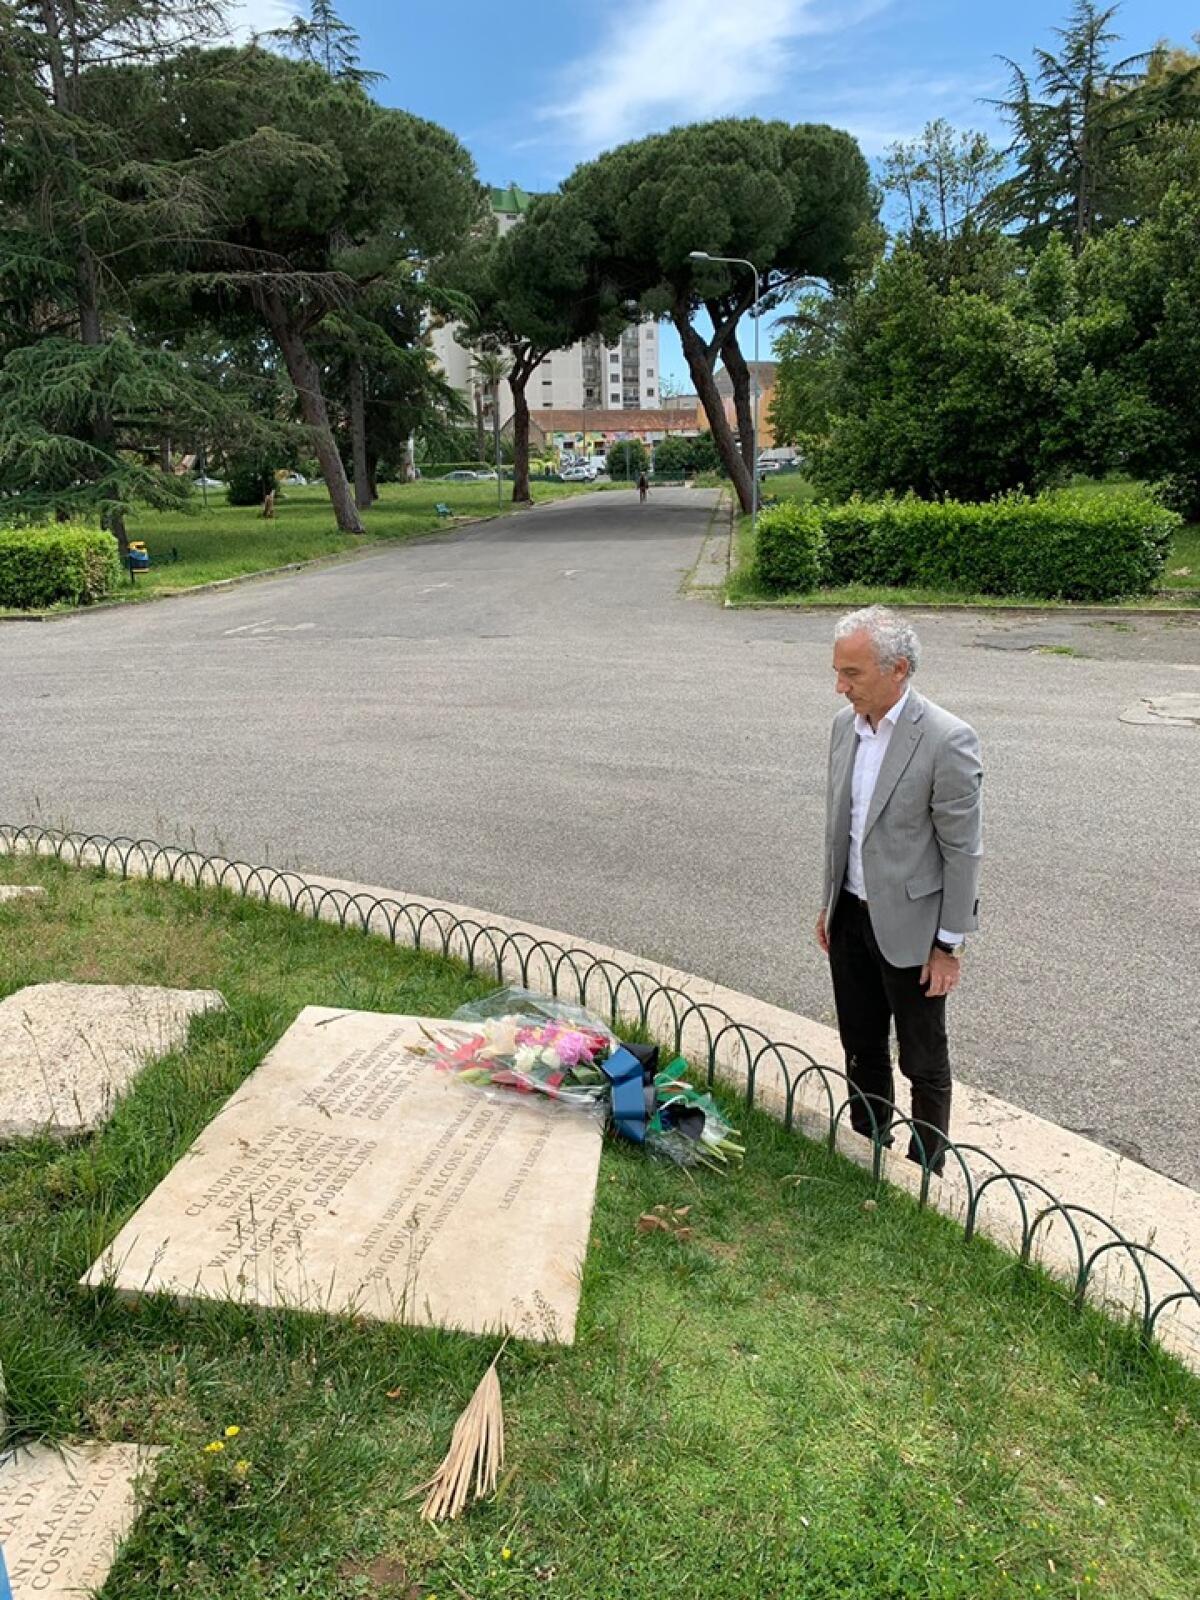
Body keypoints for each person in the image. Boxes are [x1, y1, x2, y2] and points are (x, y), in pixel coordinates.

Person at [816, 606, 982, 1176]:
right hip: (851, 917)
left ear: (899, 670)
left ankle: (926, 1167)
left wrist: (949, 945)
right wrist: (829, 902)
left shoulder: (945, 738)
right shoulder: (845, 727)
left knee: (922, 1057)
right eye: (838, 672)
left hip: (914, 930)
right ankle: (870, 1147)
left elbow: (963, 850)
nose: (841, 687)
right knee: (861, 1044)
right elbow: (843, 822)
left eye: (853, 675)